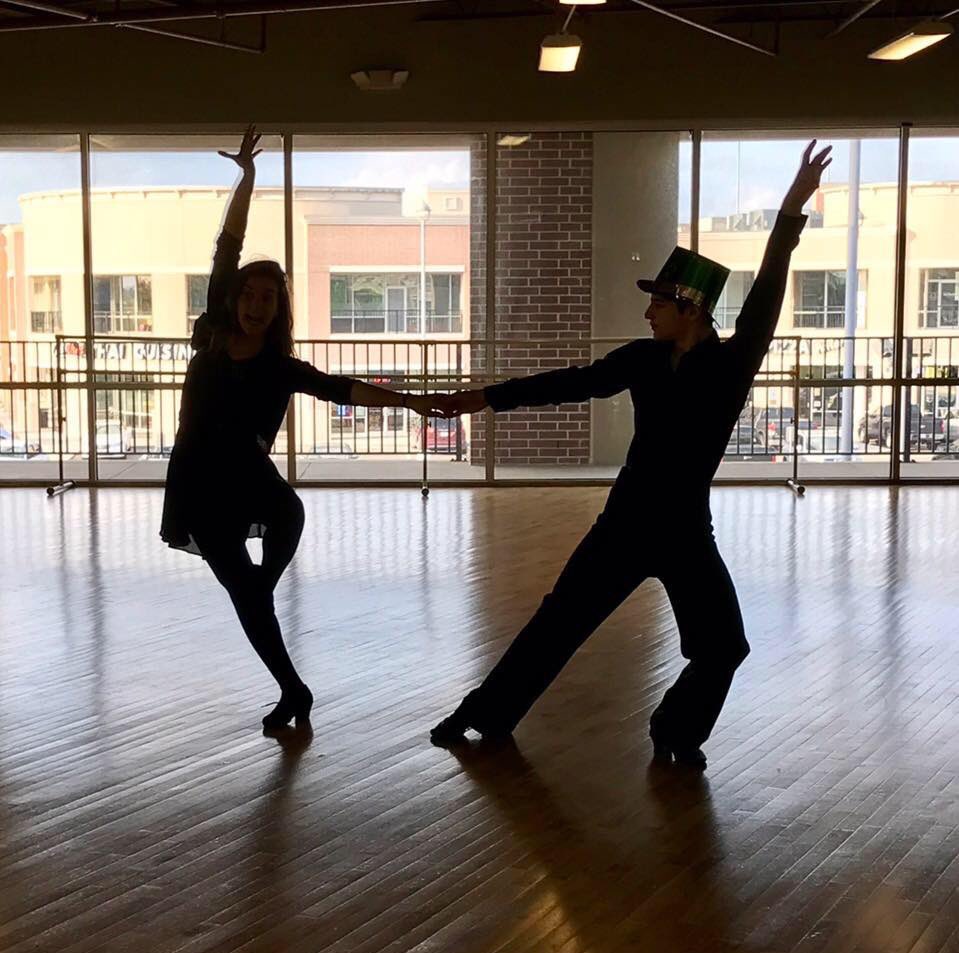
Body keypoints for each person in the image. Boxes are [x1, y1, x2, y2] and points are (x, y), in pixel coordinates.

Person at [429, 141, 832, 768]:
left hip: (684, 533)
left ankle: (675, 731)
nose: (647, 310)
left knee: (723, 645)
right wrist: (484, 398)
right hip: (625, 523)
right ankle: (483, 713)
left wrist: (788, 213)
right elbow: (571, 382)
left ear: (690, 309)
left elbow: (767, 294)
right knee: (557, 622)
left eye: (658, 302)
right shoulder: (642, 360)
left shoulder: (730, 365)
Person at [160, 126, 443, 732]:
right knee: (246, 595)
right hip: (199, 485)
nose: (256, 303)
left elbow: (343, 389)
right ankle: (294, 690)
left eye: (269, 297)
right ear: (234, 299)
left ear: (278, 308)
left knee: (285, 521)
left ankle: (270, 614)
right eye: (250, 294)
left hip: (249, 477)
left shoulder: (281, 368)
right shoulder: (211, 334)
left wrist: (412, 404)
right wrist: (248, 179)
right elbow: (226, 246)